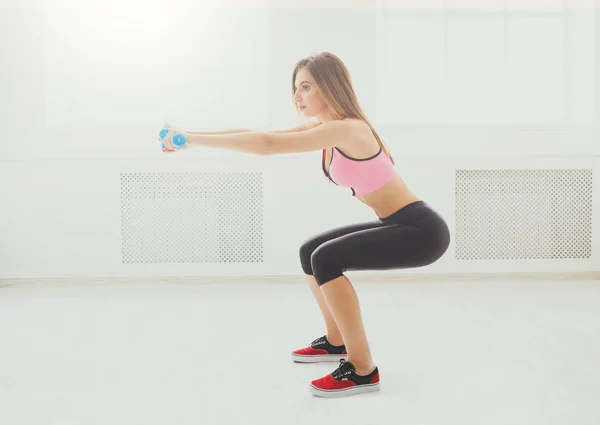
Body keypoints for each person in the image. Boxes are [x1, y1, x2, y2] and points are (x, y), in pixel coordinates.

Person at [160, 52, 450, 398]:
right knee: (310, 251)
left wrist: (191, 140)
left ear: (330, 86)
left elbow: (267, 146)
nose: (298, 97)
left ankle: (362, 369)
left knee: (327, 258)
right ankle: (335, 341)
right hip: (398, 222)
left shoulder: (349, 129)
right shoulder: (326, 128)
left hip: (421, 230)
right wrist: (189, 136)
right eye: (296, 88)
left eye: (307, 87)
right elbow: (258, 135)